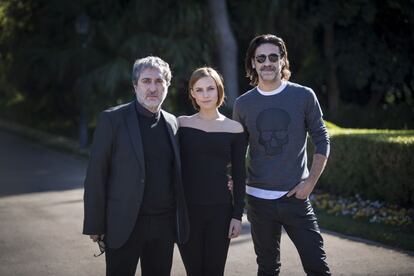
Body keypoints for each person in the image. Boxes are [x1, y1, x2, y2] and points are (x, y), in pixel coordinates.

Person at [233, 34, 331, 275]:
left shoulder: (303, 95)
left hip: (295, 198)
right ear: (253, 63)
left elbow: (322, 139)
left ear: (283, 60)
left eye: (273, 57)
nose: (267, 63)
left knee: (317, 265)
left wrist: (310, 183)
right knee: (267, 268)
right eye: (261, 58)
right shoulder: (243, 104)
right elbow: (236, 150)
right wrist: (229, 177)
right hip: (257, 201)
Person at [82, 56, 189, 276]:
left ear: (167, 86)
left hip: (164, 225)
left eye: (159, 81)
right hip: (124, 223)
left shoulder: (173, 123)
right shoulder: (112, 120)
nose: (153, 88)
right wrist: (95, 223)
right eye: (146, 81)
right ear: (135, 85)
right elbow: (96, 175)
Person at [178, 67, 247, 276]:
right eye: (199, 90)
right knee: (194, 272)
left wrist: (237, 215)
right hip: (187, 212)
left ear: (219, 90)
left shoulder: (235, 129)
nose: (205, 94)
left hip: (221, 212)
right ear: (192, 93)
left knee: (215, 271)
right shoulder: (180, 124)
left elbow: (239, 175)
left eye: (210, 88)